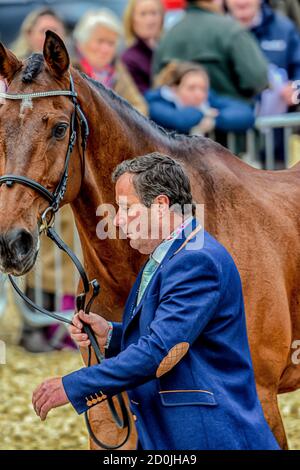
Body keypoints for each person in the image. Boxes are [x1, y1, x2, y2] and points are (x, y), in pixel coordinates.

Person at [32, 153, 280, 450]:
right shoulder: (174, 254)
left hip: (207, 435)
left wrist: (73, 386)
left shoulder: (195, 260)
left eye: (126, 209)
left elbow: (158, 353)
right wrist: (110, 334)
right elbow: (172, 337)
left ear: (161, 205)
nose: (118, 221)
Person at [153, 0, 269, 102]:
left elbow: (157, 83)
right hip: (230, 120)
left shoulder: (169, 35)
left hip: (176, 121)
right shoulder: (231, 30)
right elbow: (257, 80)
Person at [226, 0, 300, 112]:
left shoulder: (283, 28)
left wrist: (295, 88)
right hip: (231, 118)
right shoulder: (216, 31)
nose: (241, 2)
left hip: (278, 120)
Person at [73, 8, 148, 115]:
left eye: (111, 43)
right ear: (81, 43)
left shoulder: (118, 70)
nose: (105, 49)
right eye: (100, 41)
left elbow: (140, 106)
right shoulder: (70, 69)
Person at [145, 61, 255, 134]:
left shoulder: (209, 98)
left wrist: (215, 121)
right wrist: (204, 113)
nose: (199, 94)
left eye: (203, 89)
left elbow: (245, 113)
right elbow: (180, 120)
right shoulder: (156, 102)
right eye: (191, 88)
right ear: (174, 88)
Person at [122, 0, 165, 94]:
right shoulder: (129, 59)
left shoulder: (166, 50)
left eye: (154, 13)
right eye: (143, 14)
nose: (150, 20)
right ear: (132, 20)